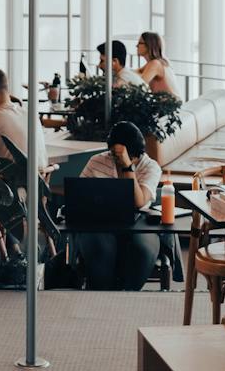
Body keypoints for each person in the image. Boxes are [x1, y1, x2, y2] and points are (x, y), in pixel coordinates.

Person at [69, 122, 163, 291]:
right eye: (114, 154)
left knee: (141, 249)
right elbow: (79, 194)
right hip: (100, 221)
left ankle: (127, 295)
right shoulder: (97, 161)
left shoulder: (150, 167)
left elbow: (139, 202)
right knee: (100, 247)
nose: (116, 159)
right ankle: (102, 295)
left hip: (139, 223)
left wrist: (127, 166)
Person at [137, 32, 175, 97]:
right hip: (164, 102)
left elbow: (139, 83)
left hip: (170, 103)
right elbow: (137, 72)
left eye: (140, 43)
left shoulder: (155, 64)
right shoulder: (154, 62)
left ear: (149, 45)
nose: (137, 46)